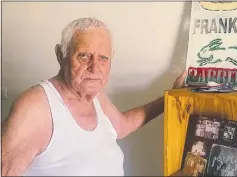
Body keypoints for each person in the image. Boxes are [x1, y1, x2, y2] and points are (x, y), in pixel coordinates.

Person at [1, 17, 187, 176]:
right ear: (61, 55)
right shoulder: (35, 107)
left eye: (103, 58)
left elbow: (123, 126)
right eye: (84, 56)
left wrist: (170, 99)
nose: (95, 68)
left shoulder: (96, 96)